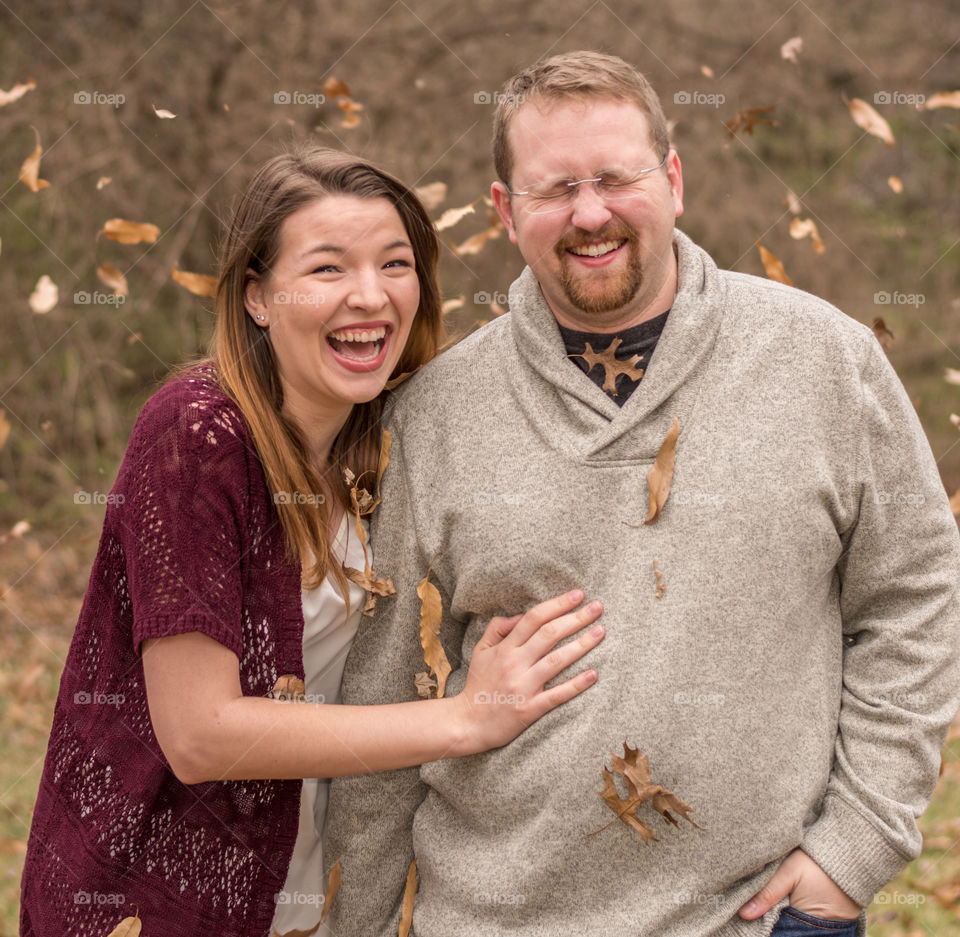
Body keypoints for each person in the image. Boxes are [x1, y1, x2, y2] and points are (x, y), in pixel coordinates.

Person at [324, 51, 960, 937]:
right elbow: (381, 704)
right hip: (492, 919)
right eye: (555, 190)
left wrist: (854, 845)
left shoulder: (824, 360)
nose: (590, 214)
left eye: (615, 178)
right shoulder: (433, 412)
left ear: (673, 179)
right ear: (508, 212)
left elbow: (918, 597)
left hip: (767, 916)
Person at [18, 145, 606, 937]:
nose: (370, 296)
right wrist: (468, 718)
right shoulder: (196, 432)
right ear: (258, 296)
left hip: (313, 891)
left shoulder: (387, 435)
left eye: (395, 263)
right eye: (327, 269)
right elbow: (200, 733)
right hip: (158, 898)